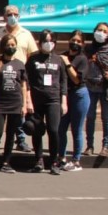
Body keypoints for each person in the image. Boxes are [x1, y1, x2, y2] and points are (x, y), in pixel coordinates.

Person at [0, 4, 38, 152]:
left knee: (19, 111)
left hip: (20, 77)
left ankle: (20, 140)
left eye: (15, 14)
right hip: (2, 77)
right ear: (4, 17)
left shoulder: (26, 34)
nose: (12, 16)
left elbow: (32, 56)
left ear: (19, 16)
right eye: (9, 14)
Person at [26, 30, 68, 175]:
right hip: (37, 100)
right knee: (37, 130)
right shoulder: (33, 59)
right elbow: (27, 82)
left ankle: (54, 162)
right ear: (40, 42)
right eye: (45, 40)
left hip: (54, 99)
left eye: (51, 41)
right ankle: (38, 160)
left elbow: (63, 81)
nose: (48, 43)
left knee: (53, 130)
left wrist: (64, 101)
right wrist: (28, 101)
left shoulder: (59, 60)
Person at [0, 34, 27, 174]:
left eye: (13, 45)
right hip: (0, 104)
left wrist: (24, 104)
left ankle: (6, 162)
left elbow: (23, 86)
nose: (11, 47)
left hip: (15, 103)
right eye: (8, 45)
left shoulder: (20, 64)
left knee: (11, 134)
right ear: (3, 46)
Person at [84, 21, 108, 158]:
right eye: (99, 30)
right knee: (90, 117)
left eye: (104, 31)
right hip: (90, 87)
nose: (101, 33)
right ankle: (89, 146)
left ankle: (105, 146)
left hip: (105, 88)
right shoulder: (88, 49)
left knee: (106, 118)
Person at [58, 30, 89, 171]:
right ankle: (61, 158)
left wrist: (68, 64)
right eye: (73, 40)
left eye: (78, 41)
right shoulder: (63, 55)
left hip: (79, 95)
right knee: (61, 128)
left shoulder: (82, 59)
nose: (75, 43)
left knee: (76, 129)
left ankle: (76, 160)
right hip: (64, 95)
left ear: (82, 44)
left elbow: (76, 79)